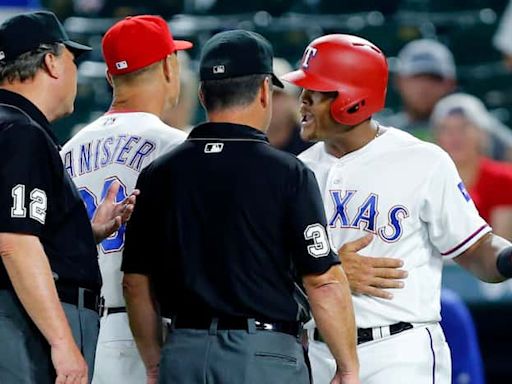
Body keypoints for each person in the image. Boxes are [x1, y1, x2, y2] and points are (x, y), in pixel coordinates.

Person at [122, 29, 360, 384]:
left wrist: (156, 362)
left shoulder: (159, 173)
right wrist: (347, 367)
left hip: (183, 352)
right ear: (265, 90)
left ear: (203, 94)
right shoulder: (288, 172)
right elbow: (323, 281)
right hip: (262, 355)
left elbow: (134, 283)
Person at [281, 33, 512, 383]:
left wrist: (508, 258)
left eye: (316, 91)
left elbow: (476, 247)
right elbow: (268, 268)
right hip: (316, 354)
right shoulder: (297, 170)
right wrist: (331, 271)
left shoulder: (422, 160)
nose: (303, 101)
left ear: (352, 99)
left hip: (399, 351)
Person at [0, 11, 137, 384]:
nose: (75, 72)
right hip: (24, 325)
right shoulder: (22, 133)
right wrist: (62, 342)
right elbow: (14, 243)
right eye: (72, 59)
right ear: (50, 62)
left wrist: (81, 233)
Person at [60, 15, 191, 384]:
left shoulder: (66, 150)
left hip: (77, 330)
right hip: (148, 333)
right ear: (169, 66)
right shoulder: (176, 148)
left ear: (108, 77)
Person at [432, 93, 512, 240]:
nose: (455, 137)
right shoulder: (428, 181)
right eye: (446, 129)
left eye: (464, 128)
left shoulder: (504, 178)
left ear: (482, 134)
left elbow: (500, 245)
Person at [379, 39, 457, 141]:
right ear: (399, 81)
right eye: (416, 78)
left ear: (450, 84)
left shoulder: (470, 133)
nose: (424, 86)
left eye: (434, 79)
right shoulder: (379, 133)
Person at [267, 57, 311, 155]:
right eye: (261, 95)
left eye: (276, 95)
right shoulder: (238, 146)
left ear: (292, 99)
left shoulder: (312, 146)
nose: (268, 101)